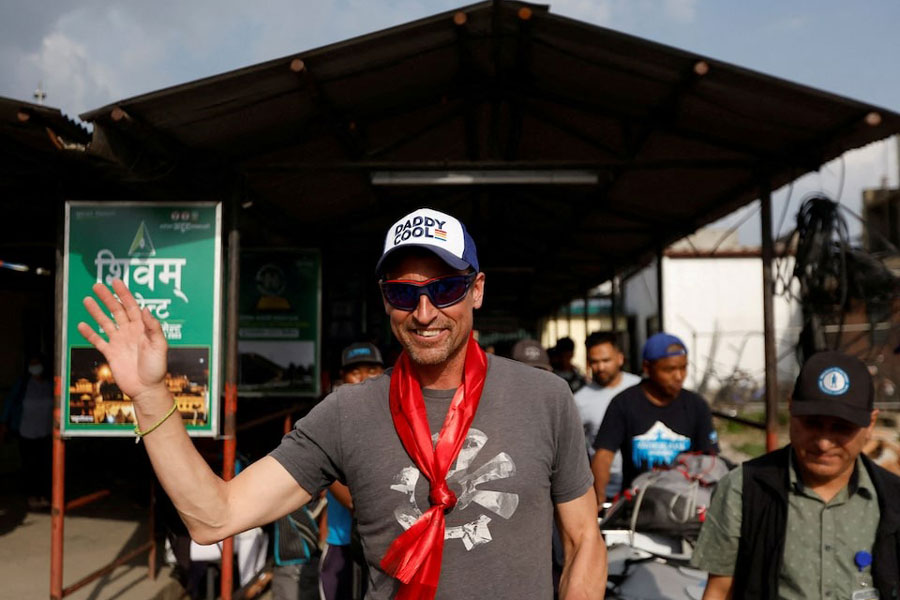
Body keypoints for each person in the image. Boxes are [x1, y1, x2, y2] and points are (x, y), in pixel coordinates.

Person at [78, 206, 606, 600]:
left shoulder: (544, 398)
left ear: (477, 290)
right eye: (403, 293)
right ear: (385, 299)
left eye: (445, 288)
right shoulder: (347, 413)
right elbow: (214, 517)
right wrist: (150, 396)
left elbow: (584, 540)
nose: (424, 312)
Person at [691, 351, 900, 600]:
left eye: (841, 428)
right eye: (812, 423)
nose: (823, 443)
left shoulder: (892, 499)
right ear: (790, 408)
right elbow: (719, 591)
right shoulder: (743, 490)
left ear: (871, 423)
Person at [591, 332, 718, 502]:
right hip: (638, 504)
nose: (679, 376)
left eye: (683, 368)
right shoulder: (623, 403)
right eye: (669, 369)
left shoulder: (696, 405)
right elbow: (603, 456)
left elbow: (710, 461)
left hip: (685, 504)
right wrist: (598, 500)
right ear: (647, 367)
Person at [320, 342, 385, 600]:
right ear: (342, 377)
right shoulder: (331, 417)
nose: (364, 378)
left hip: (386, 544)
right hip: (343, 540)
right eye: (355, 372)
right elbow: (331, 478)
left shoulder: (396, 415)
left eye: (372, 370)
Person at [574, 332, 640, 500]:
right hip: (603, 492)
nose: (600, 367)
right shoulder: (579, 400)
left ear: (620, 358)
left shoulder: (640, 389)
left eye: (606, 360)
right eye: (594, 362)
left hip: (640, 487)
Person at [0, 353, 54, 509]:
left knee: (44, 465)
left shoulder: (50, 385)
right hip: (26, 432)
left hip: (46, 432)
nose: (35, 367)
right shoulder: (23, 384)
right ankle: (32, 496)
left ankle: (44, 495)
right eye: (32, 364)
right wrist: (4, 423)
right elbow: (10, 402)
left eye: (37, 364)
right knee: (30, 465)